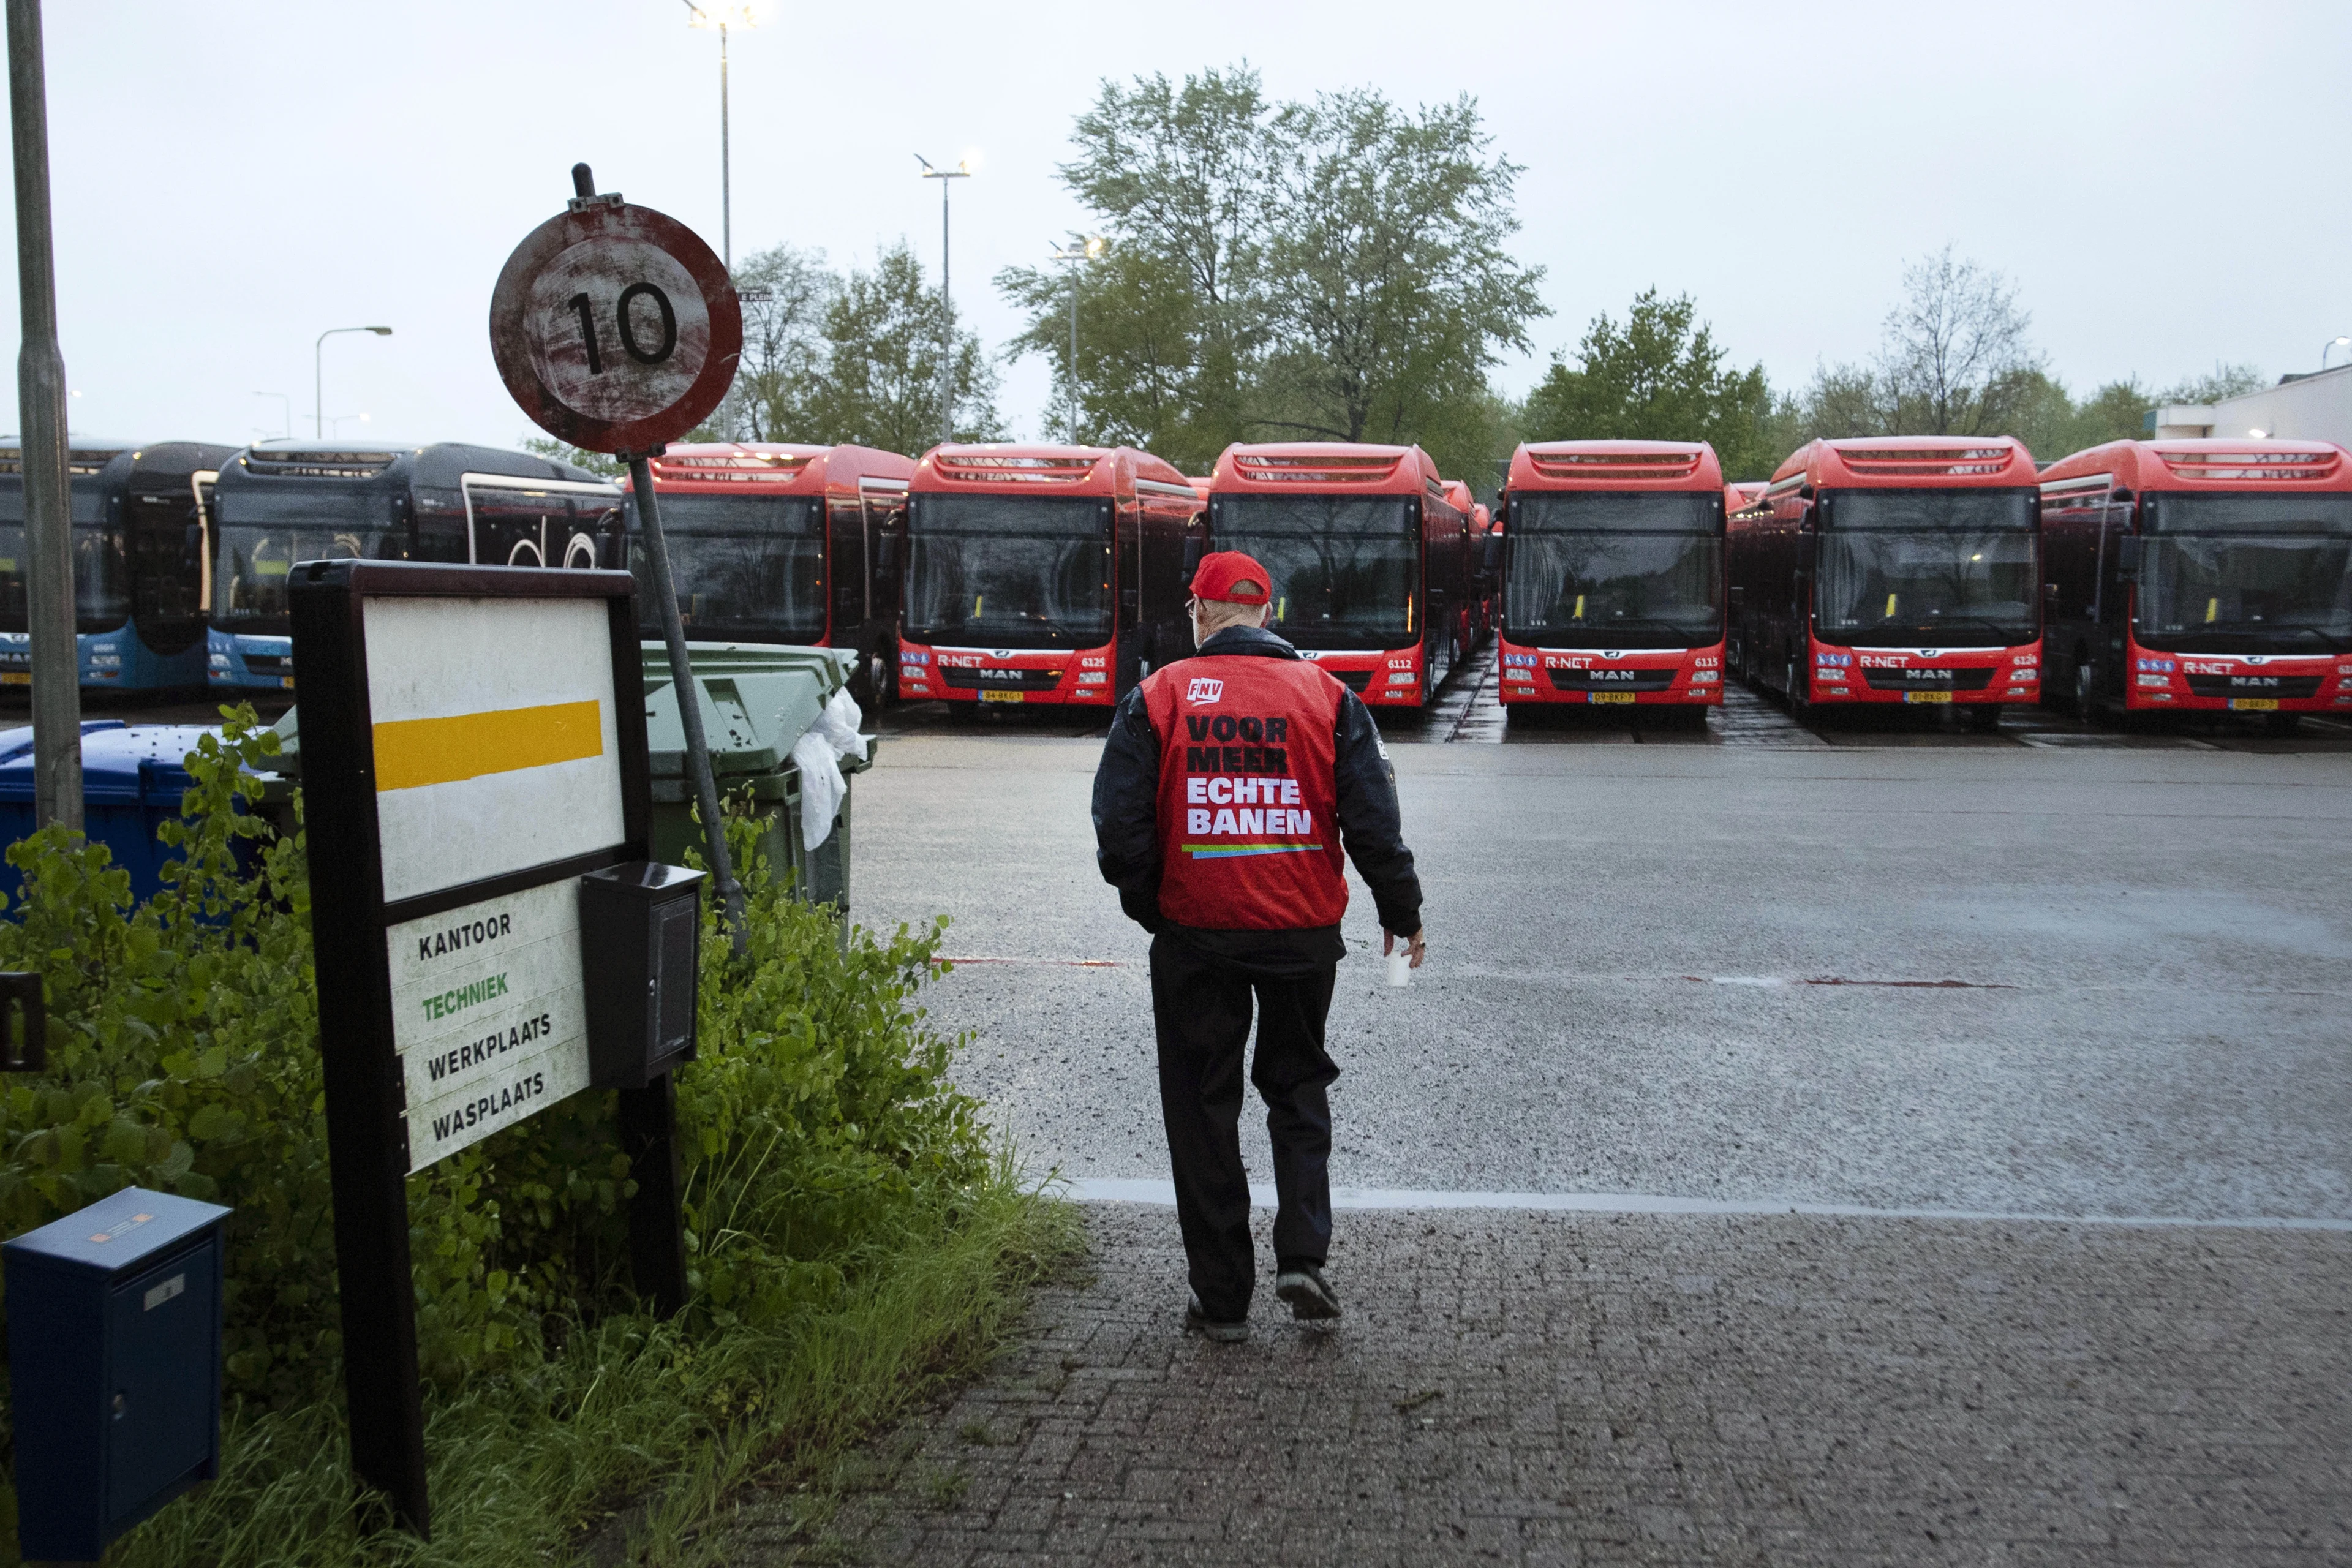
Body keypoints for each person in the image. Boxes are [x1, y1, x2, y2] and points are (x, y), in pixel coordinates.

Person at [1092, 551, 1426, 1342]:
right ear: (1266, 613)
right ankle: (1303, 1257)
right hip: (1302, 936)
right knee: (1298, 1088)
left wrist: (1155, 908)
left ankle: (1221, 1297)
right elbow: (1373, 817)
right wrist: (1401, 909)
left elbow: (1119, 830)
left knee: (1203, 1108)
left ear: (1201, 613)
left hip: (1195, 937)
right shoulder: (1329, 698)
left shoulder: (1159, 697)